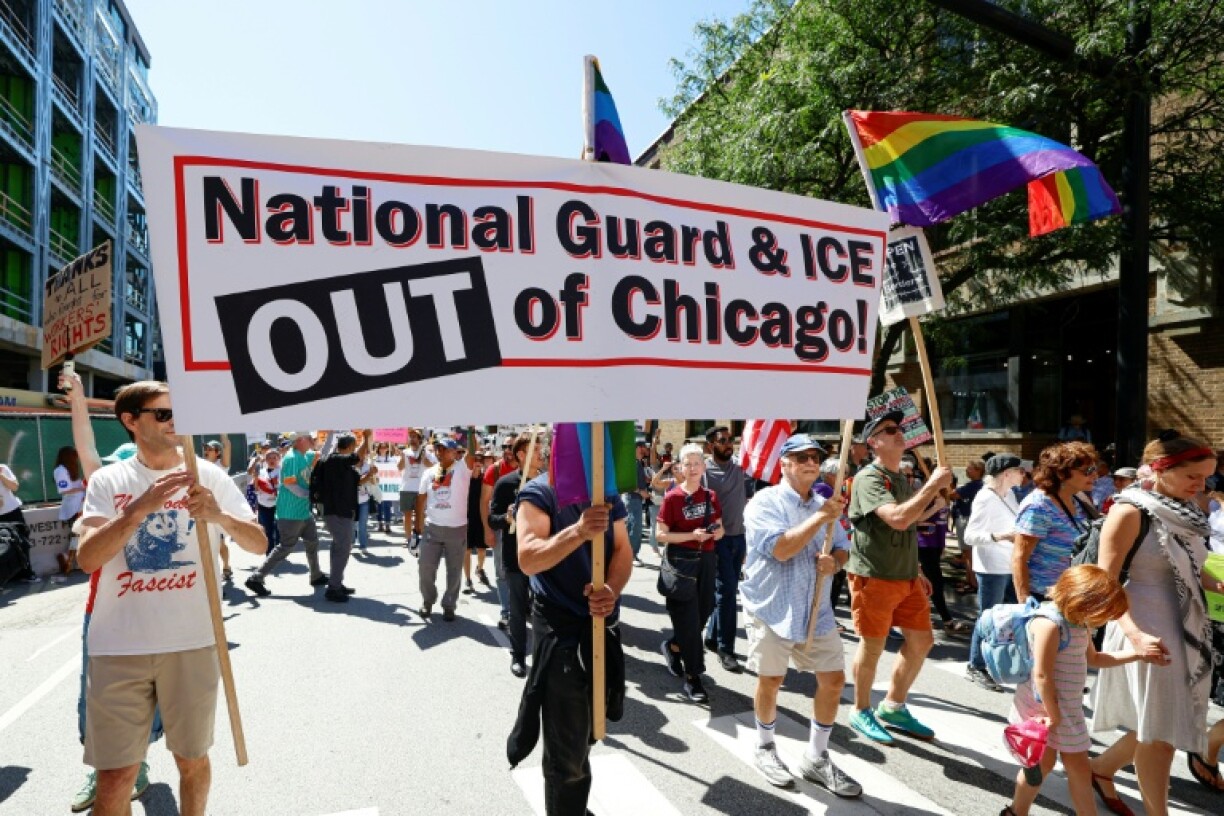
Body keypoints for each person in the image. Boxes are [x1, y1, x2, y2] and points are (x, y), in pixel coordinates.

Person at [76, 381, 264, 816]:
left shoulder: (208, 474)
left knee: (192, 760)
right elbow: (88, 558)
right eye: (163, 414)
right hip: (118, 647)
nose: (175, 421)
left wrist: (217, 513)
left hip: (192, 642)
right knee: (116, 777)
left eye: (180, 412)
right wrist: (138, 509)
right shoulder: (109, 480)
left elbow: (257, 544)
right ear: (131, 421)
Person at [1089, 432, 1218, 816]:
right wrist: (1133, 635)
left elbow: (1196, 570)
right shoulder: (1129, 510)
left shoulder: (1187, 511)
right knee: (1161, 733)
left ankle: (1101, 769)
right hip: (1142, 624)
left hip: (1186, 626)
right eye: (1193, 476)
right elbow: (1103, 583)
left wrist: (1220, 585)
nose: (1202, 485)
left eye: (1207, 477)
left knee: (1163, 720)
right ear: (1161, 469)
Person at [507, 461, 631, 816]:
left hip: (600, 626)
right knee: (567, 753)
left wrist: (612, 588)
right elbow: (528, 558)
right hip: (561, 635)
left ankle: (570, 803)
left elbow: (622, 549)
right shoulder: (539, 493)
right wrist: (578, 531)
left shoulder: (605, 493)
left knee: (588, 731)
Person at [741, 433, 861, 797]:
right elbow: (780, 549)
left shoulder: (827, 504)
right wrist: (821, 516)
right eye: (802, 456)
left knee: (834, 680)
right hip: (772, 607)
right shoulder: (764, 502)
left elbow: (843, 550)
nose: (811, 462)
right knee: (772, 680)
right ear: (785, 464)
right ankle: (765, 746)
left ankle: (816, 756)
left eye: (816, 456)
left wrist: (834, 562)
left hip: (815, 608)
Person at [999, 565, 1145, 816]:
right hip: (1044, 710)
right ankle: (1016, 812)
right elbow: (1042, 675)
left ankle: (1016, 812)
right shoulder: (1049, 624)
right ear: (1083, 601)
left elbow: (1095, 658)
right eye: (1103, 612)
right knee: (1045, 767)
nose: (1105, 619)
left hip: (1066, 708)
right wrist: (1053, 715)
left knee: (1075, 768)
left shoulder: (1079, 623)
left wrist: (1137, 654)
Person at [845, 410, 952, 745]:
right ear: (873, 442)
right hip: (874, 576)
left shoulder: (902, 479)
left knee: (922, 641)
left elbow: (910, 525)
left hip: (905, 576)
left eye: (899, 428)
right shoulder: (868, 478)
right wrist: (932, 484)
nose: (899, 433)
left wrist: (917, 569)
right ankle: (860, 709)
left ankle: (892, 706)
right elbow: (898, 520)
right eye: (889, 430)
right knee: (873, 645)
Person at [656, 443, 724, 703]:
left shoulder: (710, 496)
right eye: (688, 464)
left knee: (703, 613)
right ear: (680, 468)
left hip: (706, 560)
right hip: (681, 563)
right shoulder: (672, 497)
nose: (693, 468)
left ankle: (674, 646)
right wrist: (690, 536)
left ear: (703, 467)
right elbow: (661, 535)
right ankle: (694, 678)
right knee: (688, 620)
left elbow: (721, 529)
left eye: (697, 463)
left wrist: (716, 532)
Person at [963, 454, 1026, 692]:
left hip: (1010, 564)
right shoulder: (985, 498)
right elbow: (970, 536)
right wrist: (1001, 537)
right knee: (987, 617)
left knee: (1013, 616)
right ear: (1006, 473)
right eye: (1019, 470)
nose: (1023, 474)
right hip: (991, 568)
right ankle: (975, 666)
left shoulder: (1009, 494)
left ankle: (1008, 662)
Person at [1011, 441, 1098, 602]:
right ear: (1061, 473)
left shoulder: (1079, 499)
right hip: (1046, 598)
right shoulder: (1038, 506)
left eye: (1094, 469)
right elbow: (1019, 557)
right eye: (1088, 470)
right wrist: (1025, 602)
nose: (1095, 475)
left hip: (1077, 595)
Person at [488, 433, 545, 677]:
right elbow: (493, 519)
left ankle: (545, 658)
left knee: (546, 608)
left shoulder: (548, 483)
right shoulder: (506, 484)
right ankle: (518, 655)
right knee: (518, 609)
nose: (543, 454)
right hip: (516, 556)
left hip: (545, 554)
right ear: (522, 455)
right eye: (538, 449)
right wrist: (507, 518)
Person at [245, 431, 328, 597]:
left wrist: (330, 432)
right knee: (285, 547)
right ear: (299, 441)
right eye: (309, 438)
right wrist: (309, 494)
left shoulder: (306, 455)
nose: (313, 440)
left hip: (303, 512)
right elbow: (290, 485)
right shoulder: (291, 458)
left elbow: (323, 452)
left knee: (312, 542)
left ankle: (316, 575)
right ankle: (256, 577)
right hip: (290, 513)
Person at [415, 434, 478, 621]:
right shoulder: (428, 473)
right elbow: (420, 499)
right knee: (425, 567)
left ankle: (449, 604)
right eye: (437, 449)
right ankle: (428, 600)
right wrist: (417, 526)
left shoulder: (462, 468)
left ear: (454, 452)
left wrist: (471, 430)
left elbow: (473, 452)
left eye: (444, 449)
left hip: (456, 529)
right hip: (432, 527)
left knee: (454, 570)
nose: (439, 452)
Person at [703, 425, 750, 673]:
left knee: (725, 591)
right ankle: (726, 649)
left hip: (739, 537)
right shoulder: (704, 472)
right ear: (711, 445)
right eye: (722, 441)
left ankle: (712, 636)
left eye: (730, 439)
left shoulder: (740, 467)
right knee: (728, 593)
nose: (727, 444)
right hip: (717, 540)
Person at [315, 432, 368, 602]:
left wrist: (370, 473)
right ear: (350, 447)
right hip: (336, 512)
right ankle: (334, 588)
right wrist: (367, 439)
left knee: (339, 547)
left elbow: (357, 481)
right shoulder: (334, 460)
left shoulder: (344, 465)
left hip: (344, 512)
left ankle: (336, 581)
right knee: (343, 548)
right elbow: (357, 457)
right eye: (354, 446)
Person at [917, 496, 966, 634]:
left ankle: (922, 616)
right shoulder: (924, 496)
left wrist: (942, 544)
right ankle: (947, 621)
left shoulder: (943, 497)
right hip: (923, 544)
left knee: (925, 583)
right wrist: (935, 507)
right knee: (936, 582)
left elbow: (942, 523)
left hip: (936, 544)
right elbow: (916, 520)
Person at [200, 438, 233, 581]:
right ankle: (215, 573)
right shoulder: (200, 466)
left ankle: (226, 566)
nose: (206, 451)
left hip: (217, 511)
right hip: (203, 510)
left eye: (210, 449)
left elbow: (227, 445)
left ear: (217, 452)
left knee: (219, 544)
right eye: (205, 448)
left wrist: (223, 431)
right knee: (208, 543)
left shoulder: (222, 465)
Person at [398, 429, 434, 552]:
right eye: (411, 437)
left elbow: (434, 467)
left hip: (421, 488)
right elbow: (399, 467)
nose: (412, 439)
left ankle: (420, 538)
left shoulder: (427, 452)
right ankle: (408, 539)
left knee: (421, 515)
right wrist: (403, 458)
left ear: (419, 439)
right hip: (407, 487)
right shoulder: (405, 452)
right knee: (407, 515)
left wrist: (425, 460)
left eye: (415, 437)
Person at [622, 437, 653, 566]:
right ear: (639, 448)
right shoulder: (632, 463)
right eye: (645, 447)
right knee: (636, 527)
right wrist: (642, 492)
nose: (647, 449)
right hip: (632, 498)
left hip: (635, 498)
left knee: (630, 527)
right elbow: (626, 484)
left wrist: (645, 480)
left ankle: (626, 555)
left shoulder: (638, 462)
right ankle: (632, 556)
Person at [464, 456, 488, 594]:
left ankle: (479, 568)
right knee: (466, 550)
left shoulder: (485, 479)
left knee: (481, 549)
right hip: (466, 518)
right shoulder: (464, 480)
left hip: (481, 518)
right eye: (475, 461)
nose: (477, 463)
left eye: (480, 461)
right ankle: (468, 579)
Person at [250, 449, 280, 554]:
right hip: (264, 505)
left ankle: (278, 551)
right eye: (269, 458)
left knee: (278, 529)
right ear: (265, 460)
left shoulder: (283, 471)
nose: (272, 460)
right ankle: (270, 553)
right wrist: (256, 479)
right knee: (267, 530)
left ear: (278, 459)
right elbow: (256, 488)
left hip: (278, 505)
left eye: (274, 458)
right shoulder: (261, 472)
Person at [55, 446, 87, 522]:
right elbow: (64, 490)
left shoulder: (71, 468)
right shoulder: (60, 470)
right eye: (75, 456)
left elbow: (76, 484)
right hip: (73, 509)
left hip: (81, 506)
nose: (77, 458)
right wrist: (83, 488)